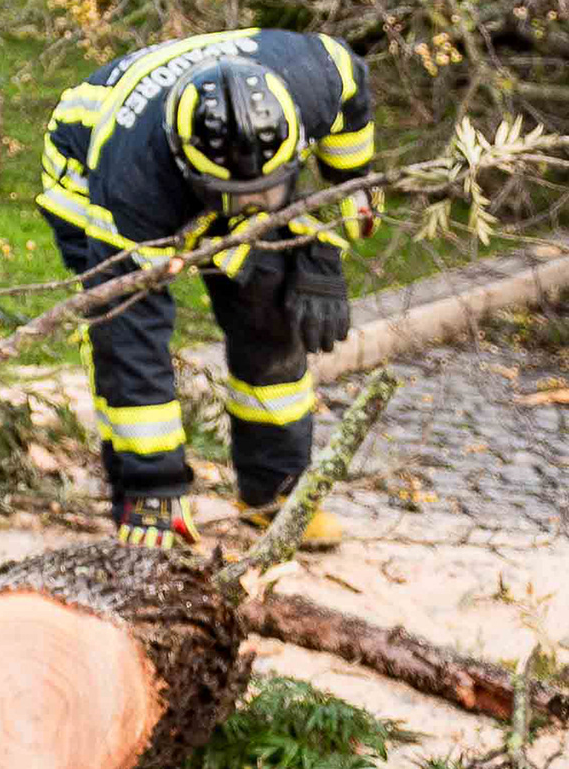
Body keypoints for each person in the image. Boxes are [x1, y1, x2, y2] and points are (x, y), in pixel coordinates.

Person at [38, 28, 379, 549]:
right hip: (84, 164)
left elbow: (350, 183)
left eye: (265, 193)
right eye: (238, 199)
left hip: (215, 170)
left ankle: (277, 494)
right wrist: (155, 486)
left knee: (270, 316)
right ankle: (143, 498)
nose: (253, 210)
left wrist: (321, 253)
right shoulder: (130, 182)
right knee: (120, 332)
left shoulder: (320, 75)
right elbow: (129, 337)